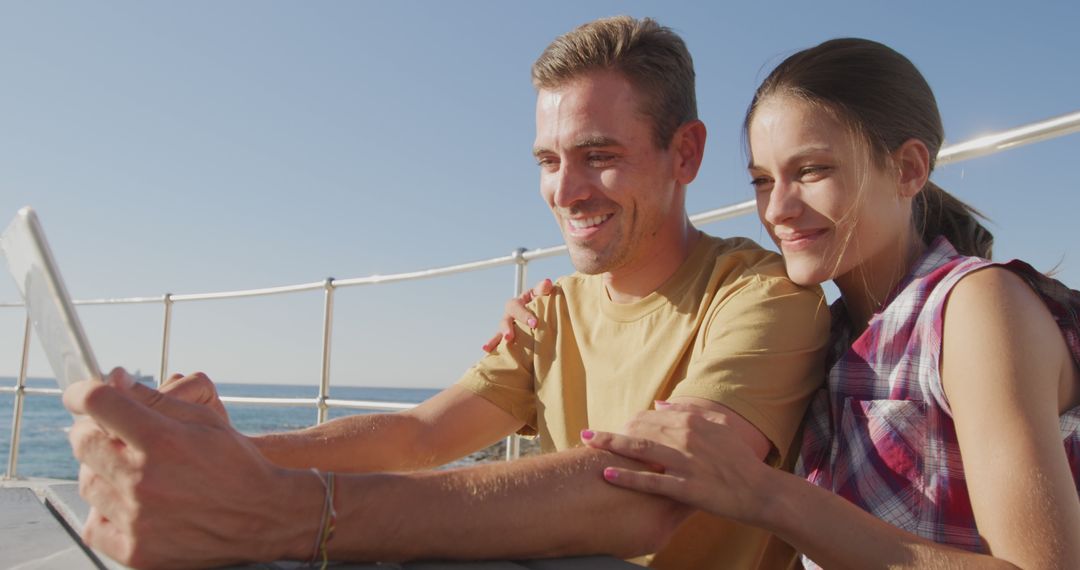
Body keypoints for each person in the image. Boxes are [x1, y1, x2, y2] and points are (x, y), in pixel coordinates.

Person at [62, 16, 829, 569]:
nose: (565, 190)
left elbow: (649, 496)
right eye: (547, 159)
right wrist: (217, 458)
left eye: (598, 155)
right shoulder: (553, 309)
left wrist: (290, 512)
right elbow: (422, 435)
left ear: (684, 152)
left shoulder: (762, 300)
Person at [505, 38, 1080, 568]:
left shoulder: (975, 308)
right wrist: (554, 308)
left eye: (811, 171)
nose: (776, 208)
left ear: (907, 169)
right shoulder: (827, 333)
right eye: (760, 180)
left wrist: (766, 495)